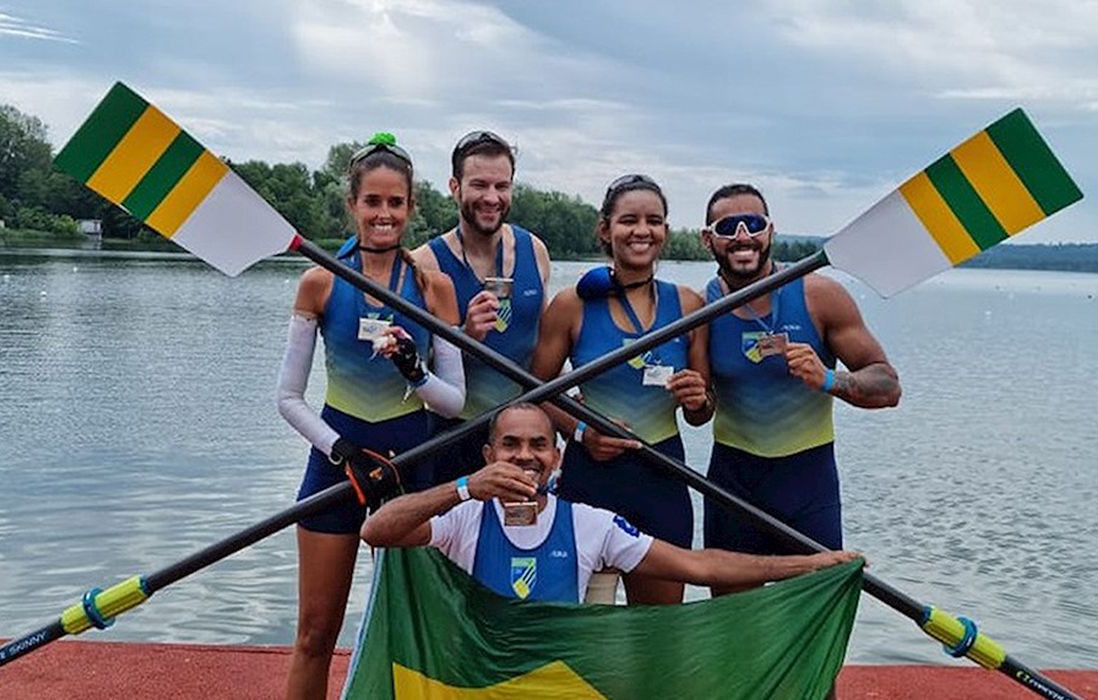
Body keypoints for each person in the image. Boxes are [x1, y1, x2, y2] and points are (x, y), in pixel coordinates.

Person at [276, 133, 466, 699]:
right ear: (353, 206)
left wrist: (415, 370)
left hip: (411, 469)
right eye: (373, 202)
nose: (384, 215)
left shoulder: (434, 288)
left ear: (411, 207)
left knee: (420, 633)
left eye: (396, 203)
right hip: (339, 469)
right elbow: (287, 398)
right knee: (314, 634)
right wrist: (343, 450)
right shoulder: (320, 281)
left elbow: (453, 402)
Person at [360, 403, 860, 603]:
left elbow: (698, 565)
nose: (524, 457)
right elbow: (377, 530)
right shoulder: (464, 515)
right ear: (490, 454)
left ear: (557, 459)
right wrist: (465, 486)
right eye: (510, 445)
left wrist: (808, 565)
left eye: (538, 445)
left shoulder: (590, 525)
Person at [699, 183, 901, 598]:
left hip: (807, 483)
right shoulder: (699, 310)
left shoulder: (819, 295)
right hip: (733, 484)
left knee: (815, 613)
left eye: (752, 224)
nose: (742, 236)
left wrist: (830, 380)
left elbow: (888, 385)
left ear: (770, 231)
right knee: (732, 622)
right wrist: (694, 398)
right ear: (708, 239)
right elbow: (700, 412)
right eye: (727, 226)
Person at [529, 174, 713, 605]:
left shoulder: (689, 305)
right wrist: (581, 432)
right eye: (629, 220)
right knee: (583, 633)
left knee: (659, 635)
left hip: (663, 478)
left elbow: (702, 413)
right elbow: (534, 391)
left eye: (654, 220)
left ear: (666, 230)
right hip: (590, 480)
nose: (642, 230)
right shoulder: (572, 305)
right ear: (605, 229)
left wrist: (698, 398)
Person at [411, 130, 551, 481]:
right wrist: (463, 336)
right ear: (455, 187)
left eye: (502, 186)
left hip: (521, 440)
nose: (492, 198)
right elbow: (409, 370)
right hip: (450, 435)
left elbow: (541, 350)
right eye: (479, 185)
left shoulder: (534, 250)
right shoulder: (425, 263)